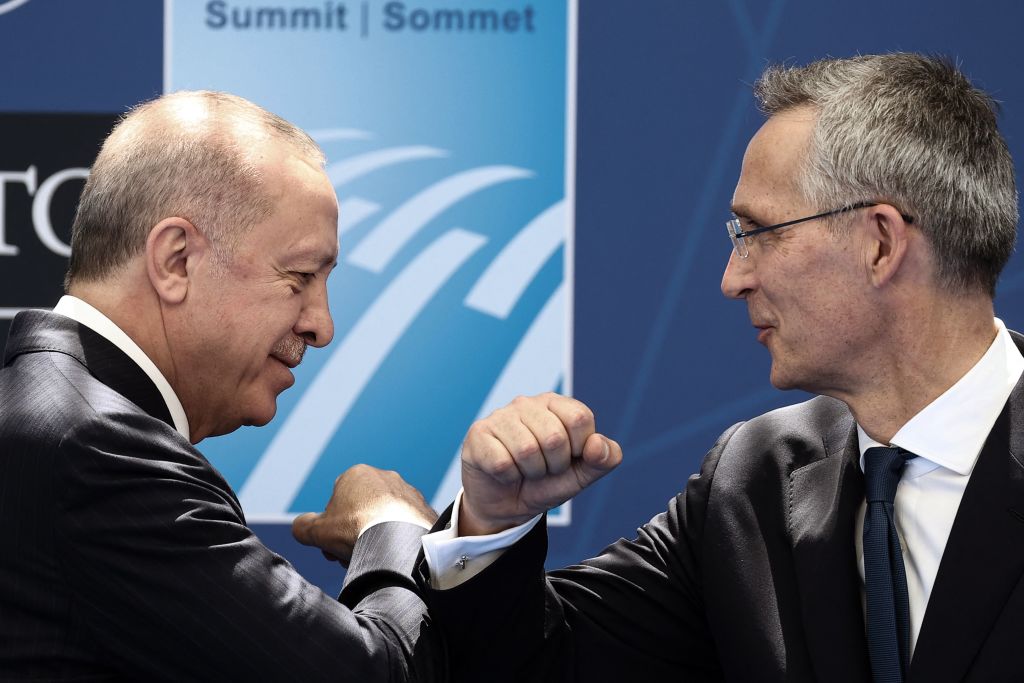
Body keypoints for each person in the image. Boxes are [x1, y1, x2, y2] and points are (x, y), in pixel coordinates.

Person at [410, 53, 1024, 682]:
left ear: (880, 243)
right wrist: (493, 523)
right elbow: (547, 662)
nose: (733, 280)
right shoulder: (752, 480)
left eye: (759, 232)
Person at [0, 91, 442, 681]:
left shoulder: (48, 416)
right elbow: (375, 674)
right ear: (176, 260)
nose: (322, 326)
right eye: (299, 276)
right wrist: (392, 525)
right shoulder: (97, 453)